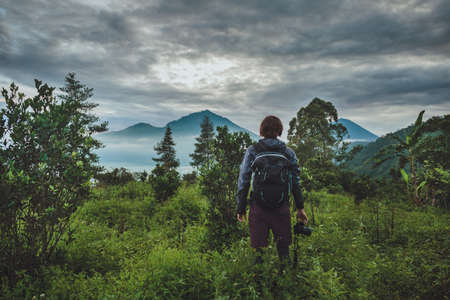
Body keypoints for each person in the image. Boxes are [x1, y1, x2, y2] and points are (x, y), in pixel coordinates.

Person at [236, 115, 308, 263]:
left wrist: (241, 207)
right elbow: (295, 181)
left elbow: (244, 179)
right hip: (281, 207)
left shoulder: (253, 150)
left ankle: (260, 283)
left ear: (262, 130)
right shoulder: (288, 152)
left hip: (258, 207)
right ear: (279, 131)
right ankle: (285, 280)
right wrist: (300, 208)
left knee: (258, 252)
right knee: (284, 250)